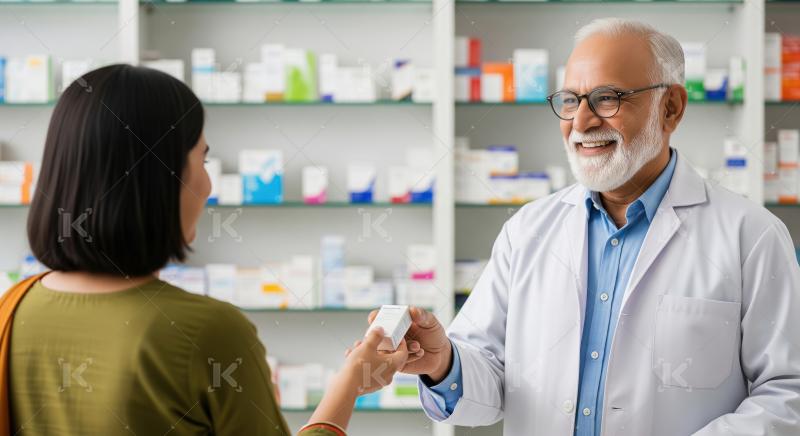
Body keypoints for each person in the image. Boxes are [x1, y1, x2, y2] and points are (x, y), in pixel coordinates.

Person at [377, 18, 800, 436]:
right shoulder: (528, 231)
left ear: (670, 108)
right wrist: (441, 364)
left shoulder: (752, 236)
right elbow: (492, 377)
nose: (581, 122)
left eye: (607, 98)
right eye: (570, 100)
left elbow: (787, 394)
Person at [0, 64, 413, 436]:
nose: (208, 187)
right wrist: (349, 386)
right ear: (158, 179)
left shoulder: (11, 309)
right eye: (202, 159)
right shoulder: (206, 332)